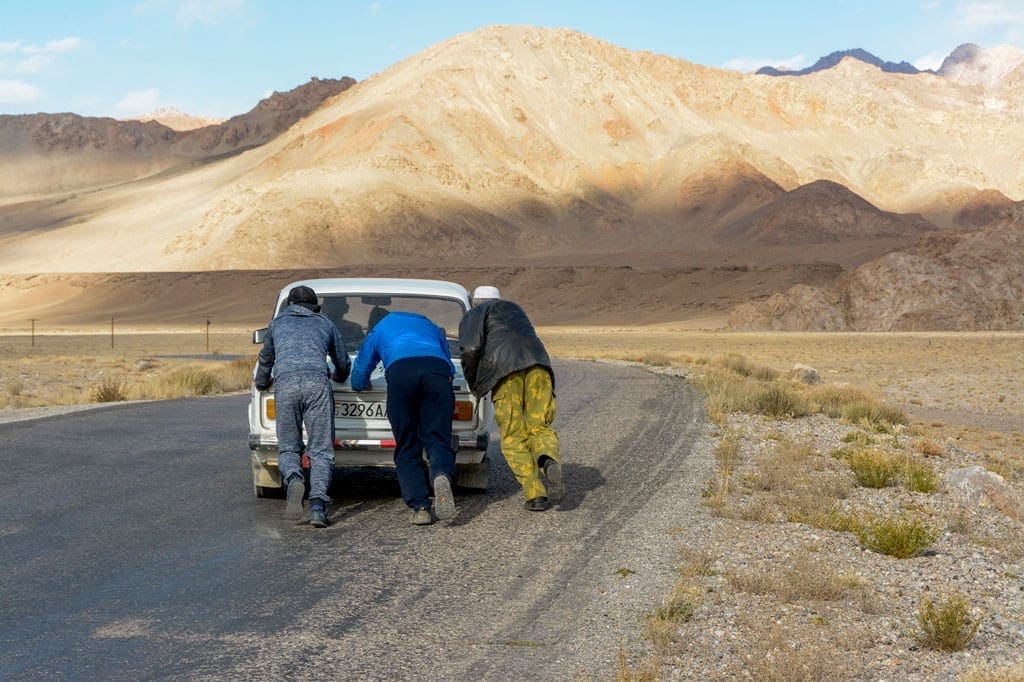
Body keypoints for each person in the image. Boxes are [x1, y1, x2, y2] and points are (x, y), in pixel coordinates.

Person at [458, 286, 564, 511]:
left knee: (513, 434)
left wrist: (474, 383)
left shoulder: (475, 314)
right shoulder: (515, 309)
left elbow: (469, 348)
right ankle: (547, 459)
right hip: (539, 365)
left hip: (506, 374)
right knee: (540, 426)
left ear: (475, 301)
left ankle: (535, 494)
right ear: (499, 298)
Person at [350, 310, 458, 525]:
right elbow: (449, 363)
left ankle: (420, 507)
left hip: (401, 373)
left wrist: (360, 384)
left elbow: (362, 365)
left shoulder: (380, 328)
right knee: (438, 438)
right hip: (437, 372)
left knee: (408, 442)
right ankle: (440, 474)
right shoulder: (430, 325)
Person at [254, 285, 350, 528]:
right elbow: (342, 361)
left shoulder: (277, 325)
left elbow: (266, 358)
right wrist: (339, 376)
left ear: (290, 305)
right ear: (314, 305)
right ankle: (318, 507)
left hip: (285, 385)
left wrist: (262, 382)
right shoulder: (325, 322)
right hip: (317, 383)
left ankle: (295, 478)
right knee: (320, 451)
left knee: (288, 447)